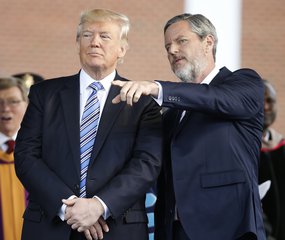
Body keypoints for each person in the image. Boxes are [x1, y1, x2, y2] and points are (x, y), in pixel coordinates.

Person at [112, 13, 266, 240]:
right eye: (167, 46)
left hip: (228, 227)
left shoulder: (243, 83)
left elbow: (215, 99)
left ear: (208, 42)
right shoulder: (171, 113)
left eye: (181, 41)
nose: (172, 50)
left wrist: (156, 88)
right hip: (175, 231)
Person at [14, 8, 162, 240]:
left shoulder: (143, 101)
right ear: (77, 43)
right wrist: (71, 208)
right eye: (87, 35)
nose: (94, 42)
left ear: (122, 49)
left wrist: (98, 206)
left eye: (105, 36)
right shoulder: (44, 94)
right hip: (50, 225)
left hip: (117, 228)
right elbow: (25, 156)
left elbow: (147, 164)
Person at [0, 77, 28, 240]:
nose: (5, 109)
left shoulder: (45, 152)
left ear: (26, 105)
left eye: (13, 102)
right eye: (0, 102)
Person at [259, 79, 285, 240]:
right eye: (261, 101)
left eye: (270, 101)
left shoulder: (282, 146)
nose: (267, 107)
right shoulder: (239, 149)